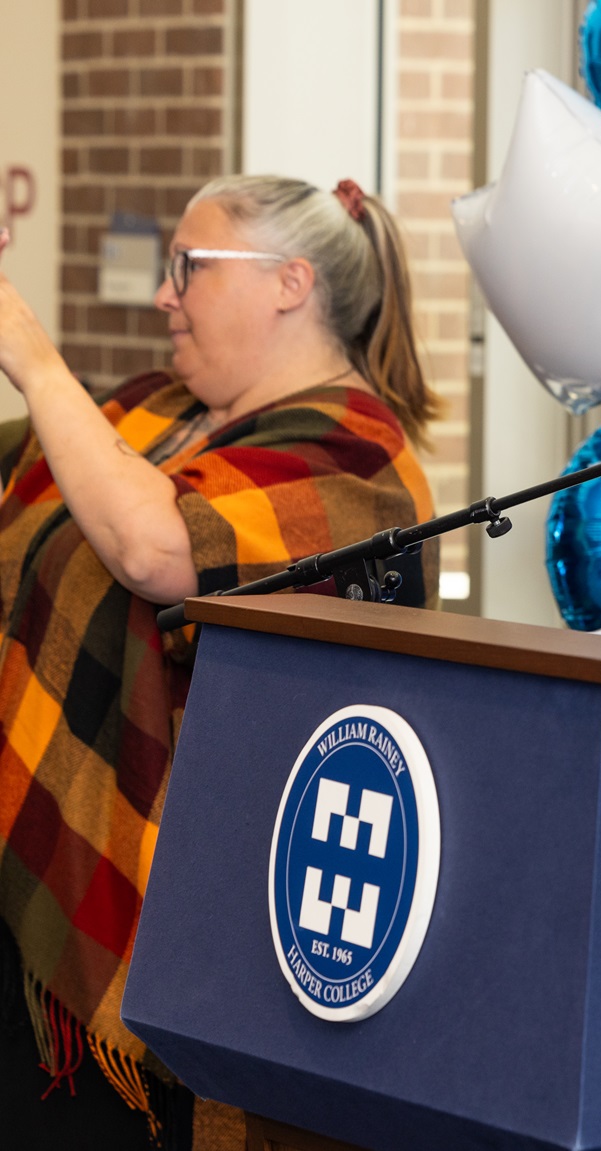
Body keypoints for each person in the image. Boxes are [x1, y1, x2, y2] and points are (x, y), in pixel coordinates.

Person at [0, 175, 440, 1149]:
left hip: (181, 907)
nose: (165, 296)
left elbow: (155, 551)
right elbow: (42, 484)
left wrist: (34, 357)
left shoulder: (353, 456)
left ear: (290, 284)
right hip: (40, 857)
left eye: (189, 268)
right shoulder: (162, 409)